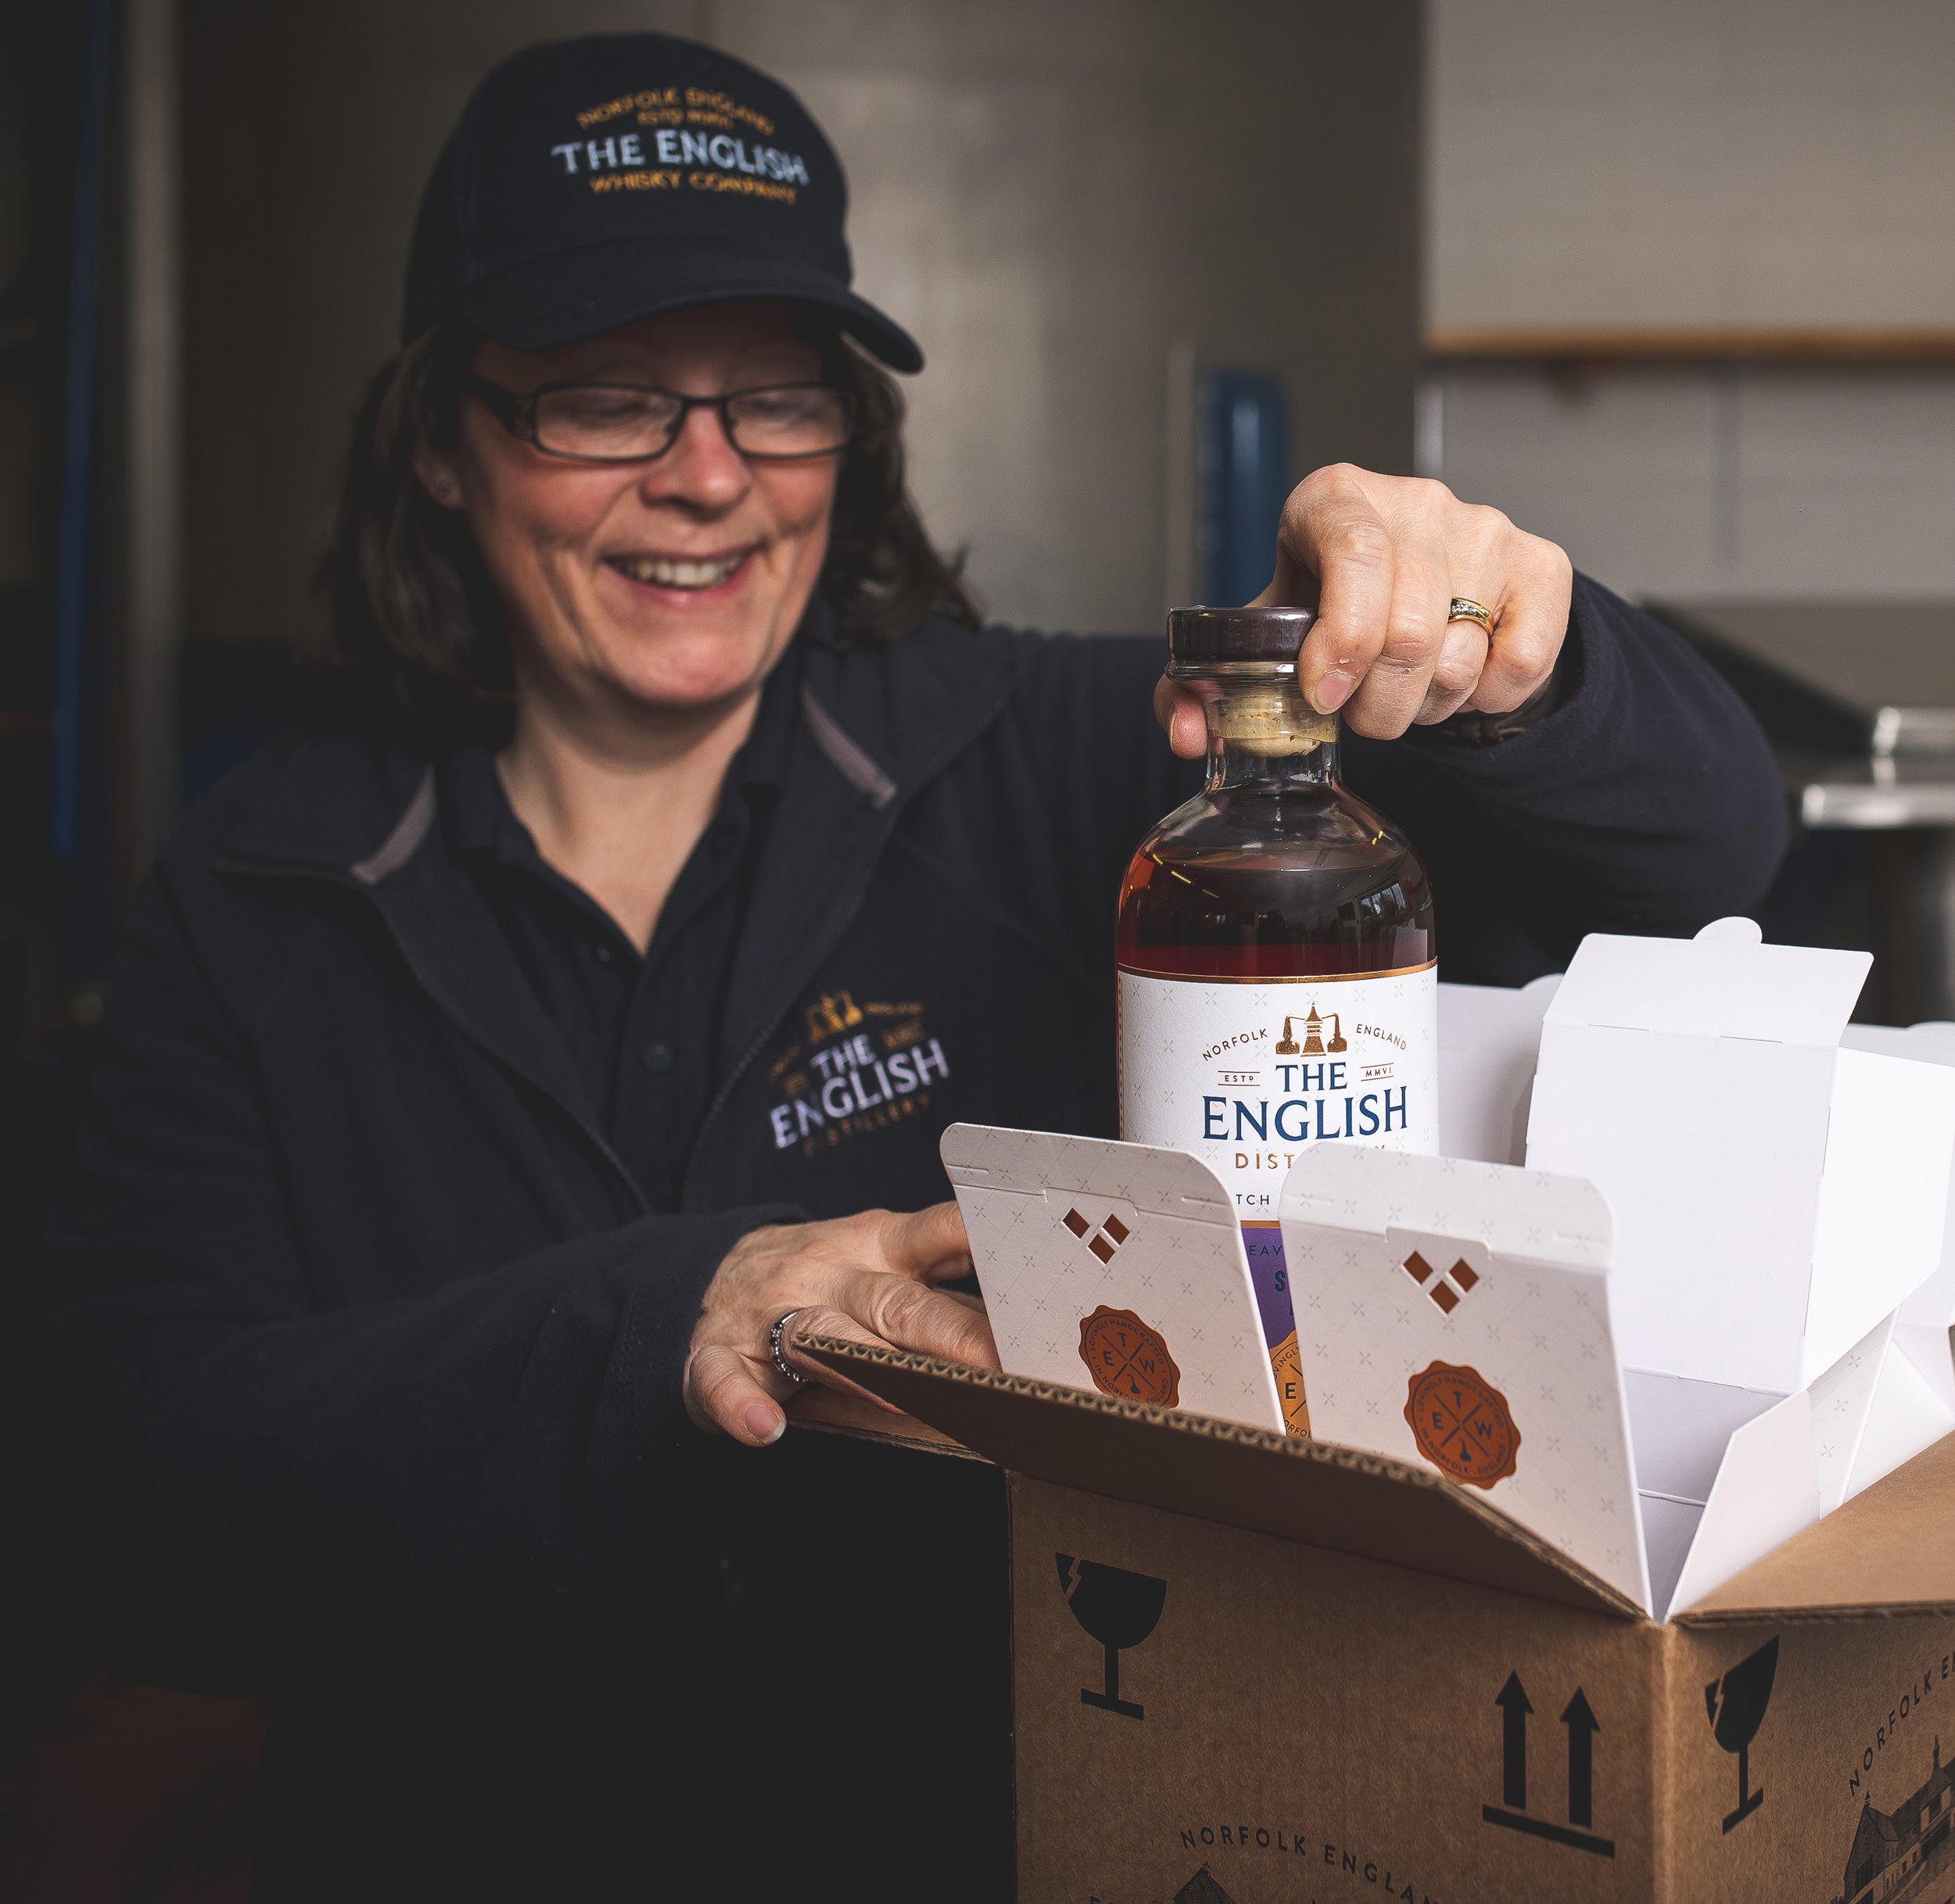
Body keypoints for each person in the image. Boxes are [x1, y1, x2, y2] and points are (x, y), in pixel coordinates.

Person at [30, 30, 1786, 1904]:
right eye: (607, 396)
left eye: (776, 397)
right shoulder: (268, 877)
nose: (708, 476)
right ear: (448, 442)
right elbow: (136, 1500)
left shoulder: (1050, 768)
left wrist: (1524, 647)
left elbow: (1704, 853)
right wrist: (667, 1322)